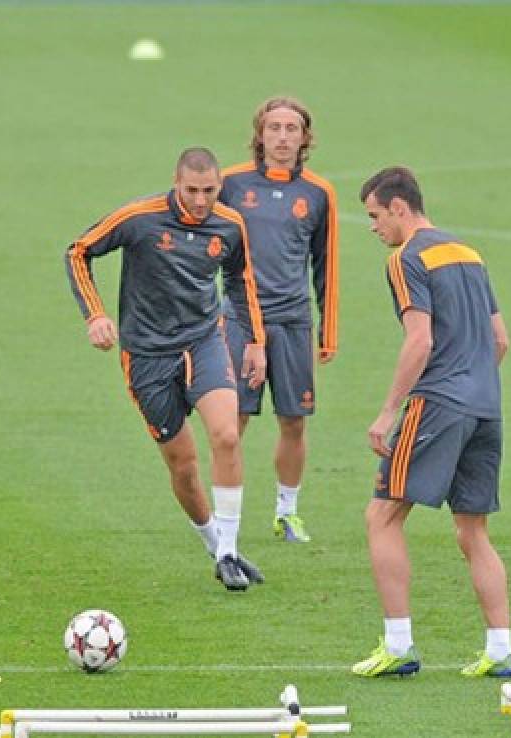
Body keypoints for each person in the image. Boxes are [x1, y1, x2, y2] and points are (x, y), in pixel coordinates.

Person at [65, 147, 269, 591]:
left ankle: (231, 550)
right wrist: (95, 315)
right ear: (176, 184)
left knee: (227, 434)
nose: (200, 200)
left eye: (209, 191)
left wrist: (255, 341)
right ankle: (216, 547)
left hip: (203, 340)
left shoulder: (230, 225)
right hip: (146, 354)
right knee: (184, 467)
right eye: (192, 191)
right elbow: (78, 252)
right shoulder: (140, 218)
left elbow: (241, 280)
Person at [352, 167, 511, 678]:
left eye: (376, 216)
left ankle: (399, 645)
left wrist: (388, 412)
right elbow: (501, 340)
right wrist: (471, 383)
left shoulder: (406, 258)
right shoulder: (468, 252)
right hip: (486, 406)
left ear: (400, 208)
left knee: (382, 516)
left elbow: (419, 339)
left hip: (439, 403)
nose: (374, 227)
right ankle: (500, 650)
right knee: (473, 530)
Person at [219, 96, 339, 543]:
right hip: (239, 321)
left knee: (293, 420)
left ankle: (287, 512)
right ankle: (225, 514)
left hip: (292, 321)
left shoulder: (318, 193)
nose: (283, 137)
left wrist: (327, 330)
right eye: (275, 128)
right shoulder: (230, 184)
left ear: (305, 137)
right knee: (233, 421)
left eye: (292, 129)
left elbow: (325, 264)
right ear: (260, 134)